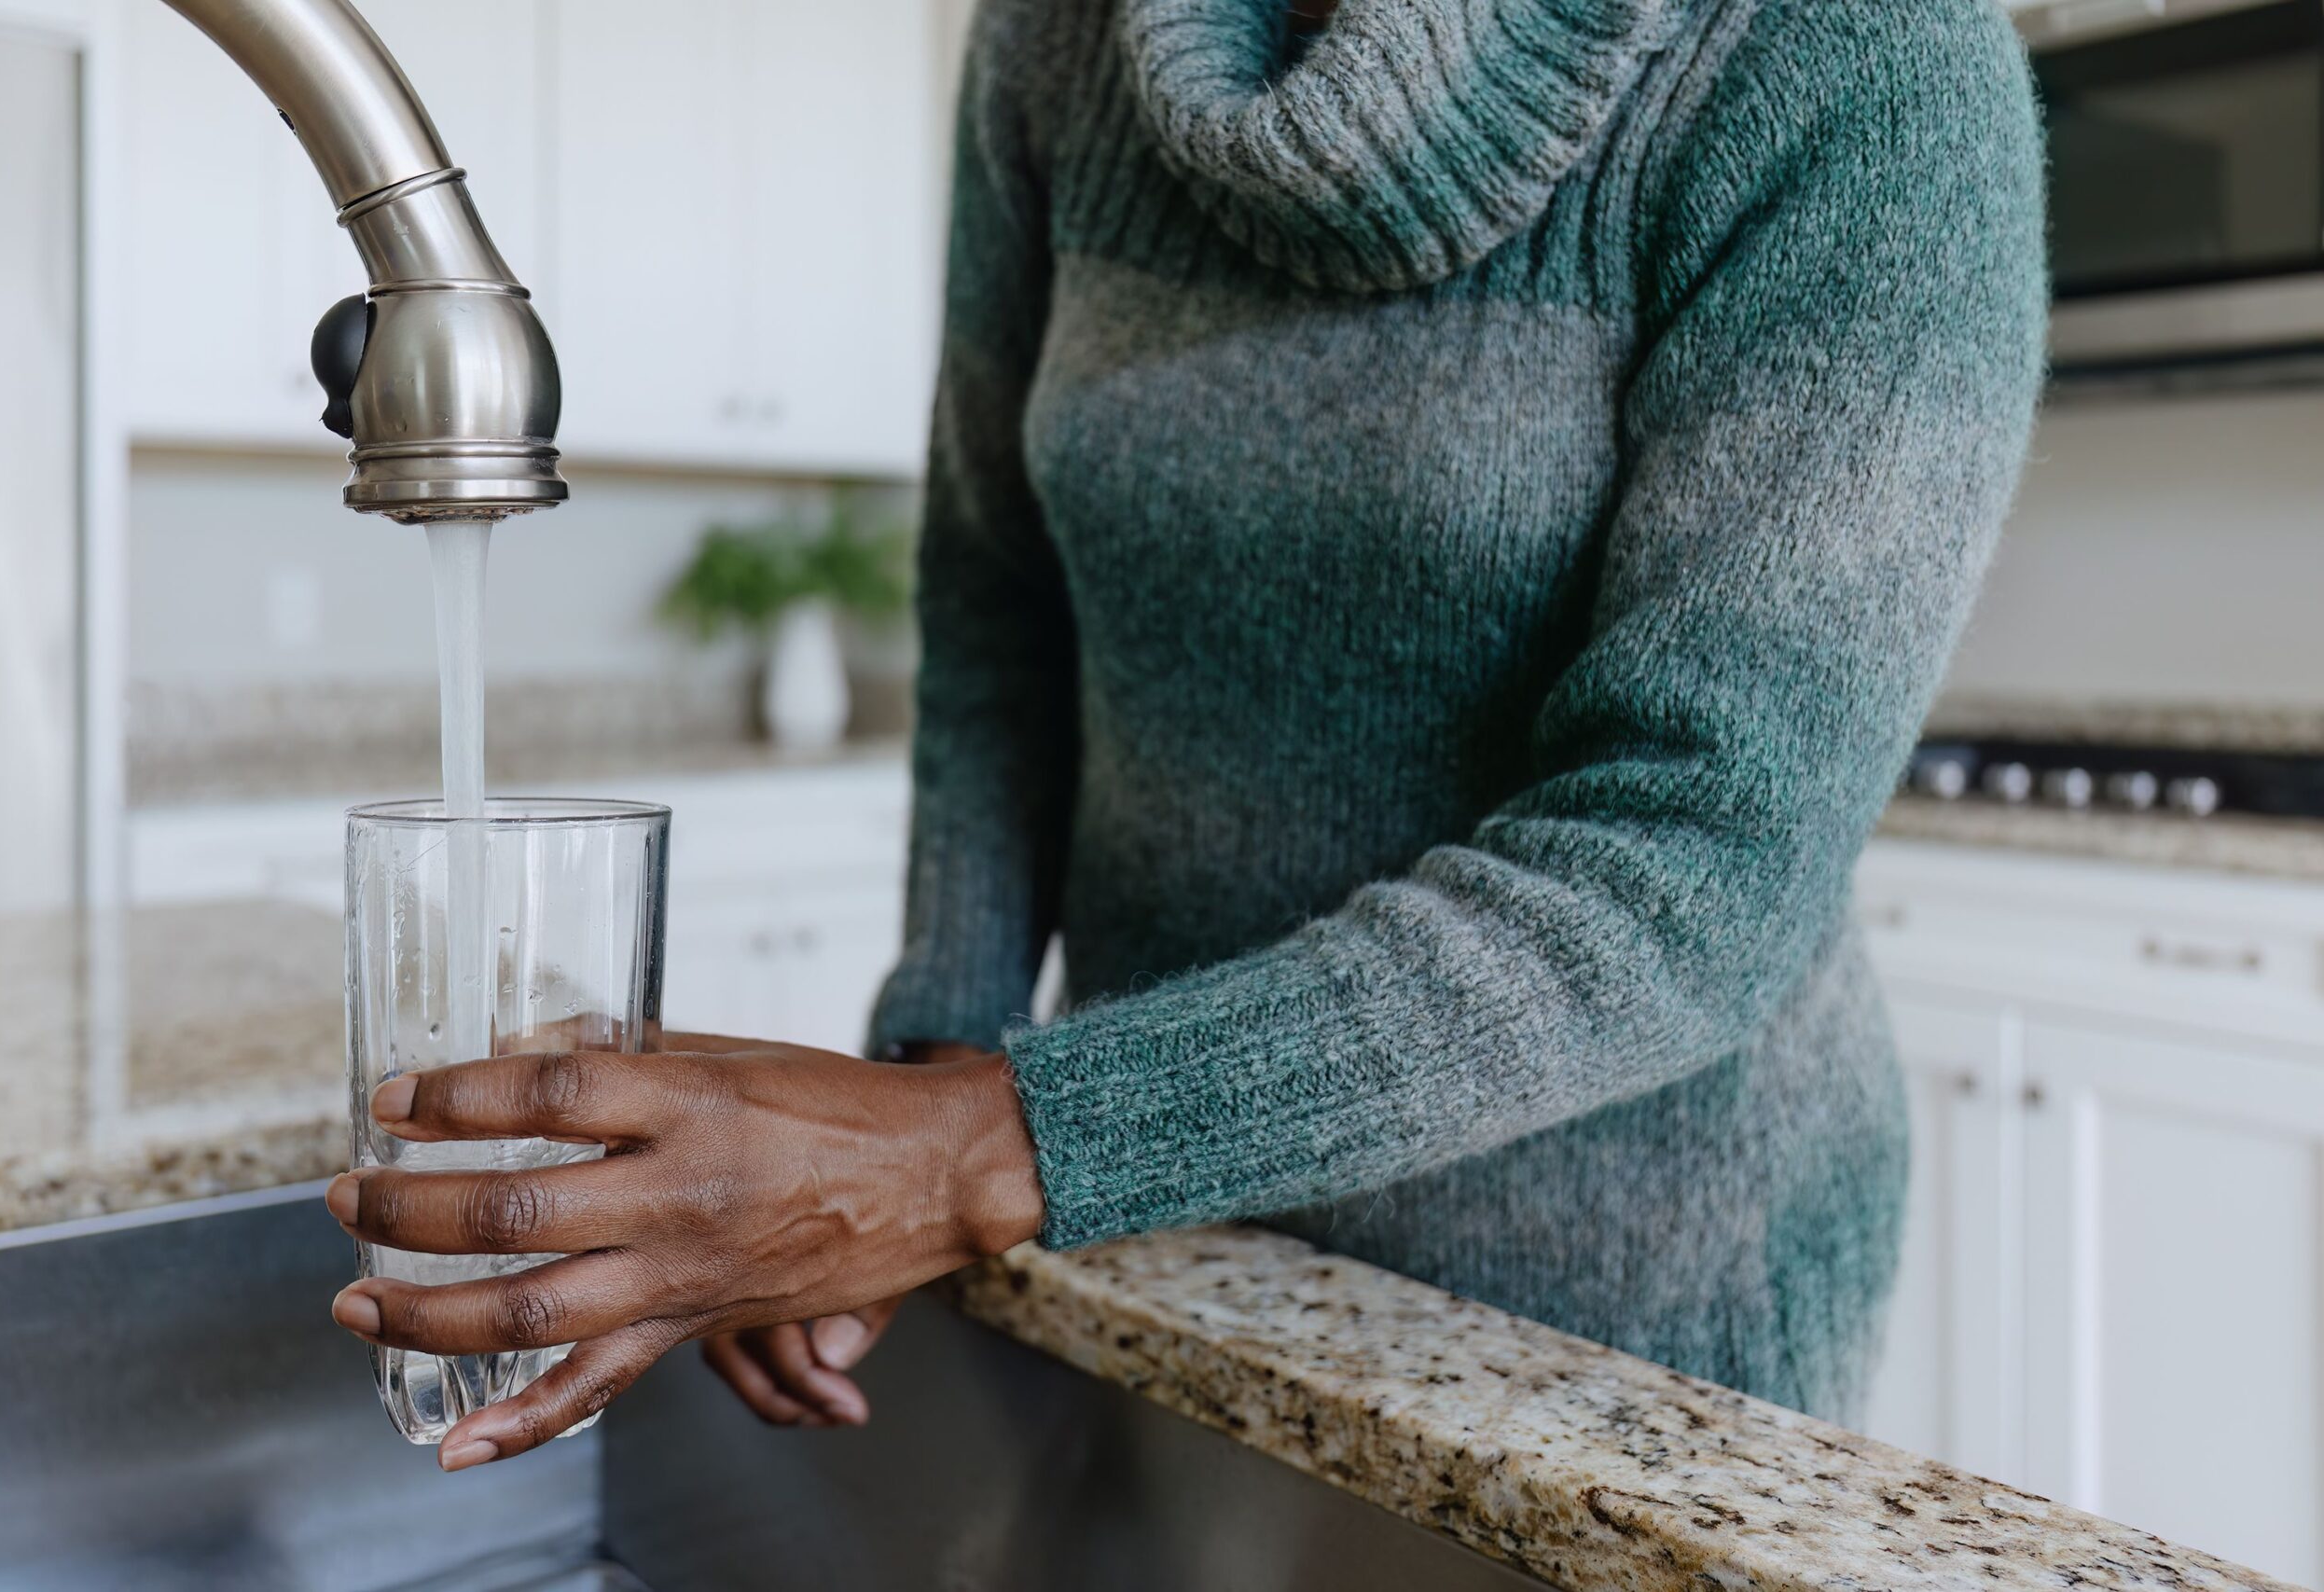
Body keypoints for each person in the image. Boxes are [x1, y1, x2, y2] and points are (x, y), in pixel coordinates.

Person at [321, 0, 2046, 1471]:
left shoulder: (1853, 61)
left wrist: (969, 1150)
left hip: (1621, 1305)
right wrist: (925, 1073)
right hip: (1157, 1222)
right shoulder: (1060, 41)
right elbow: (1000, 595)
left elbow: (1699, 865)